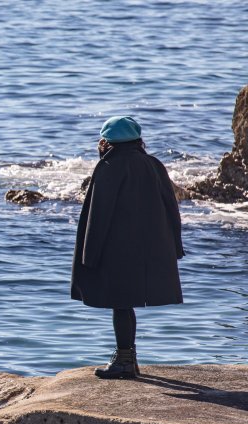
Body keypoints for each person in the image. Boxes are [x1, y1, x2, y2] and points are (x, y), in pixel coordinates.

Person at [71, 116, 184, 379]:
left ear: (106, 142)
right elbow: (172, 209)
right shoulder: (154, 165)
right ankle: (127, 359)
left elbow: (98, 216)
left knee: (120, 304)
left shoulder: (109, 167)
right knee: (127, 304)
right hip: (150, 249)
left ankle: (124, 361)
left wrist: (89, 256)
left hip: (116, 250)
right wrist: (175, 247)